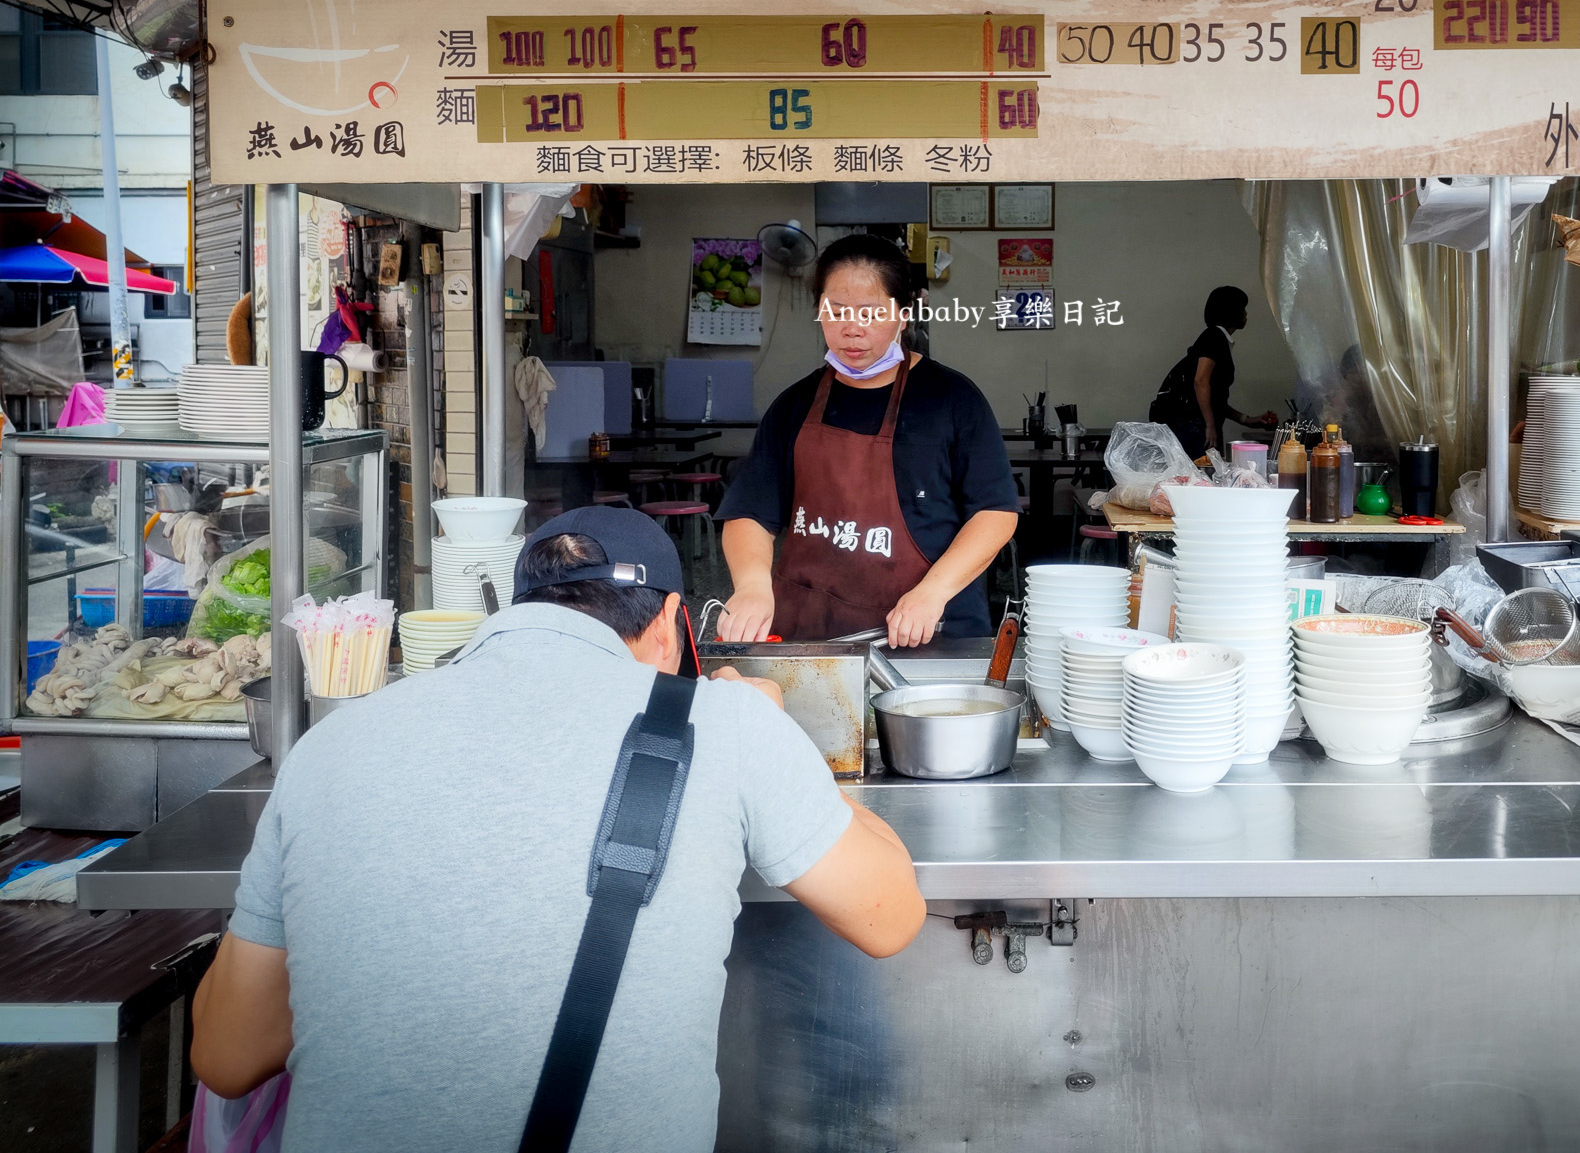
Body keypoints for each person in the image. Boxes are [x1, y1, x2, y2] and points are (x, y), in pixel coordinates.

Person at [190, 506, 924, 1151]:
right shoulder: (725, 724)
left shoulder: (333, 743)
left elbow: (226, 1056)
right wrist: (775, 732)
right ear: (669, 624)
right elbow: (889, 917)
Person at [715, 233, 1019, 648]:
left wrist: (931, 594)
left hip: (929, 634)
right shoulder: (795, 404)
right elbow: (751, 511)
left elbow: (995, 513)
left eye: (871, 312)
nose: (852, 328)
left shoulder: (952, 400)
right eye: (835, 310)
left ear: (904, 314)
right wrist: (751, 586)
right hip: (812, 635)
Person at [1149, 284, 1277, 459]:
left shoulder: (1217, 338)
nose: (1246, 314)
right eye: (1243, 308)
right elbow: (1200, 381)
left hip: (1190, 423)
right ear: (1231, 311)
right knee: (1200, 473)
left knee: (1202, 473)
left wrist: (1247, 420)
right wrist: (1210, 425)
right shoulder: (1214, 337)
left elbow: (1215, 398)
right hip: (1191, 425)